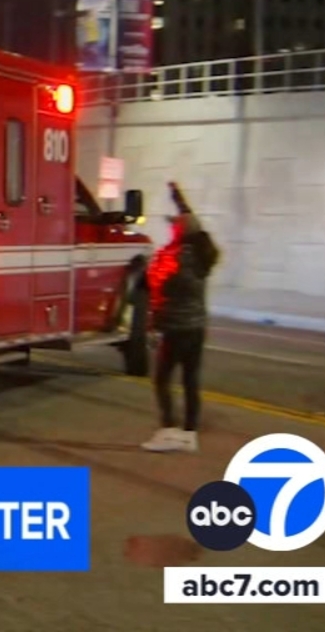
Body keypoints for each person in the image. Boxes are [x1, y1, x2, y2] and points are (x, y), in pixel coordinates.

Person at [141, 182, 220, 453]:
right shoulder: (202, 254)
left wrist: (154, 325)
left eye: (174, 226)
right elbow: (191, 221)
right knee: (190, 380)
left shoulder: (175, 260)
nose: (171, 228)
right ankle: (189, 433)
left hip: (176, 328)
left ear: (180, 232)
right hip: (197, 327)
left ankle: (168, 430)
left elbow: (160, 293)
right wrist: (180, 200)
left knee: (162, 379)